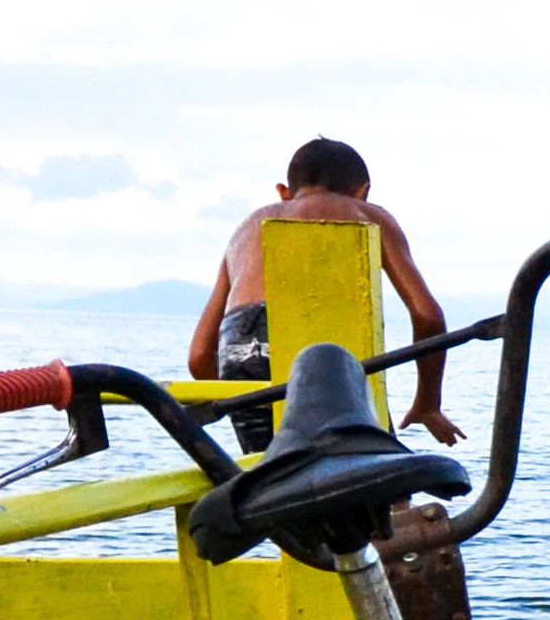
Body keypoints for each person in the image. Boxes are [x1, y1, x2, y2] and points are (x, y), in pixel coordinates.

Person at [187, 137, 462, 450]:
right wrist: (427, 402)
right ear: (363, 192)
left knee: (272, 478)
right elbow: (427, 315)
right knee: (379, 480)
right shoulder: (366, 213)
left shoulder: (247, 228)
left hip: (241, 352)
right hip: (321, 352)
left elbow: (199, 358)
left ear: (283, 192)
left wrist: (240, 399)